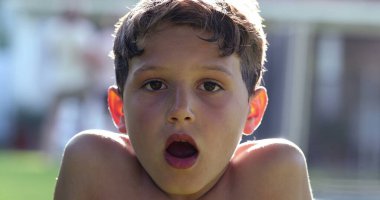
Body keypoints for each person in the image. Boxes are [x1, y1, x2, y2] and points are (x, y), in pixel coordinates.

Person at [54, 0, 313, 199]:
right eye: (155, 84)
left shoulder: (271, 179)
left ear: (252, 110)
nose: (180, 109)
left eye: (210, 86)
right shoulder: (94, 170)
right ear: (119, 108)